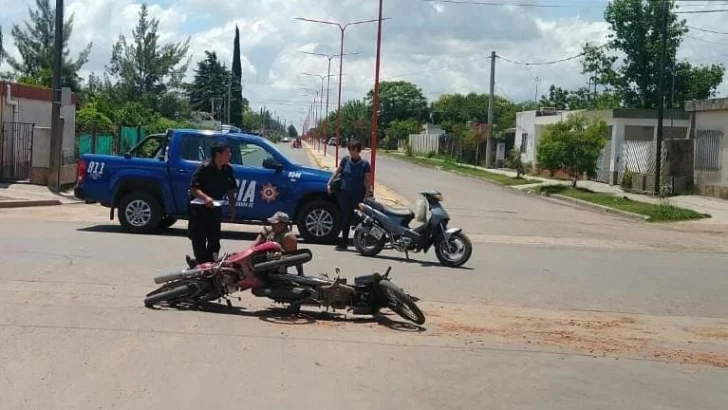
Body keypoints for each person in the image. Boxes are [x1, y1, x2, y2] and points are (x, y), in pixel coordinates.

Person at [185, 142, 237, 268]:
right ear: (217, 154)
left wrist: (232, 205)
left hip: (214, 209)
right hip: (199, 209)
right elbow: (194, 188)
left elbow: (231, 188)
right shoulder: (204, 168)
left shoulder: (227, 169)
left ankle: (205, 264)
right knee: (199, 239)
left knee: (215, 240)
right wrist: (206, 198)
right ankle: (201, 264)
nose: (230, 155)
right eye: (227, 152)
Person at [327, 139, 373, 251]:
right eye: (349, 149)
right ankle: (344, 242)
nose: (350, 152)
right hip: (344, 194)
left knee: (360, 217)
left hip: (358, 195)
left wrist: (367, 195)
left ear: (358, 150)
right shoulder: (345, 160)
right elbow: (337, 172)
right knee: (345, 217)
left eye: (352, 150)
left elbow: (368, 182)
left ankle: (363, 239)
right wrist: (329, 183)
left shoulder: (365, 164)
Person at [253, 211, 303, 276]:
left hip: (276, 266)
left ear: (283, 225)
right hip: (262, 260)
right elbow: (255, 245)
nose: (272, 224)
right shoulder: (270, 231)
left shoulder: (288, 237)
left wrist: (300, 273)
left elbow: (295, 256)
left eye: (274, 223)